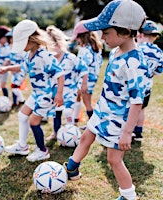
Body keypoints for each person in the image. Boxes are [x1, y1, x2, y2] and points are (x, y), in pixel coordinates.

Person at [63, 1, 147, 199]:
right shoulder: (117, 51)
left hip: (118, 119)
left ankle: (129, 195)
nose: (102, 37)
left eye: (106, 32)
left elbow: (137, 101)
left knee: (114, 160)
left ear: (125, 31)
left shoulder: (134, 62)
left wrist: (127, 132)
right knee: (86, 137)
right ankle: (71, 169)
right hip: (103, 110)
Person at [0, 20, 64, 162]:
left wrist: (59, 94)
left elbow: (60, 73)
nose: (21, 47)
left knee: (34, 122)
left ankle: (42, 150)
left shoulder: (44, 56)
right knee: (22, 115)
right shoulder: (29, 55)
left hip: (46, 95)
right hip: (36, 94)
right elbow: (21, 68)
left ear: (32, 39)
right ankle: (22, 146)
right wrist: (7, 69)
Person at [45, 25, 88, 140]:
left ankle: (71, 130)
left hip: (70, 91)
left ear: (59, 44)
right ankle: (55, 132)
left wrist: (84, 84)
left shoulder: (71, 58)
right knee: (56, 113)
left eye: (52, 47)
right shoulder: (50, 59)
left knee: (68, 111)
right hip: (56, 92)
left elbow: (84, 69)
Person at [133, 20, 163, 141]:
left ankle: (128, 131)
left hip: (133, 85)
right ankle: (139, 133)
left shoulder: (136, 48)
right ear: (155, 36)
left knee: (130, 108)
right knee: (141, 108)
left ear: (140, 34)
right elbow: (159, 71)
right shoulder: (159, 52)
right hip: (147, 87)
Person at [72, 25, 103, 126]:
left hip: (86, 79)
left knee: (87, 102)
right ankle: (74, 119)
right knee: (77, 95)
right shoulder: (96, 48)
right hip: (92, 78)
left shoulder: (85, 50)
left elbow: (83, 66)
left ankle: (93, 124)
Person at [5, 29, 26, 108]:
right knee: (13, 86)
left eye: (13, 38)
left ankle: (22, 100)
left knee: (15, 87)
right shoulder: (10, 47)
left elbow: (24, 61)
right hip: (12, 70)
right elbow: (9, 58)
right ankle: (15, 102)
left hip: (20, 70)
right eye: (10, 38)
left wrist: (16, 69)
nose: (11, 40)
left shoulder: (22, 48)